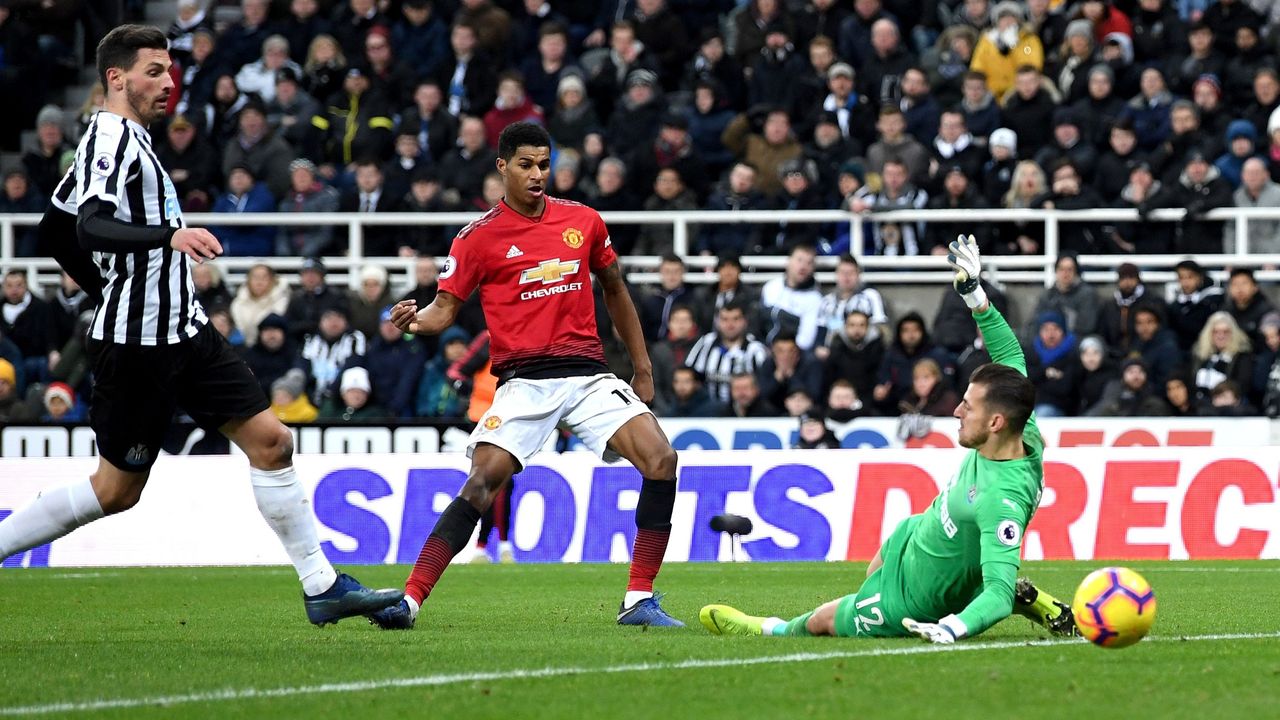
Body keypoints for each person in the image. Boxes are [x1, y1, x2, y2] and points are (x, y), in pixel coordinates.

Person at [8, 25, 400, 624]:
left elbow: (53, 229)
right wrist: (165, 241)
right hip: (137, 344)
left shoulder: (127, 139)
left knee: (272, 442)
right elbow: (84, 227)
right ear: (116, 78)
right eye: (154, 71)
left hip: (186, 330)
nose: (169, 83)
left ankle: (322, 588)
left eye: (170, 70)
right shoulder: (109, 139)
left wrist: (106, 282)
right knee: (116, 491)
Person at [375, 122, 682, 630]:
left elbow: (615, 290)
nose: (538, 174)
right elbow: (444, 310)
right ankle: (408, 601)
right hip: (523, 383)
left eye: (544, 163)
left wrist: (642, 366)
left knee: (661, 460)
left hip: (587, 376)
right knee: (481, 484)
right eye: (526, 165)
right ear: (502, 167)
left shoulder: (583, 221)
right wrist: (414, 322)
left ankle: (638, 599)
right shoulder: (478, 238)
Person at [700, 234, 1075, 642]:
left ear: (997, 422)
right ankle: (1031, 601)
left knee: (820, 622)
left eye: (969, 408)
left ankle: (767, 629)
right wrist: (974, 294)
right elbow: (1009, 357)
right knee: (869, 578)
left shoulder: (1003, 500)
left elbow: (1000, 597)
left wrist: (950, 628)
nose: (956, 411)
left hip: (917, 599)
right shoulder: (1023, 425)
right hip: (916, 533)